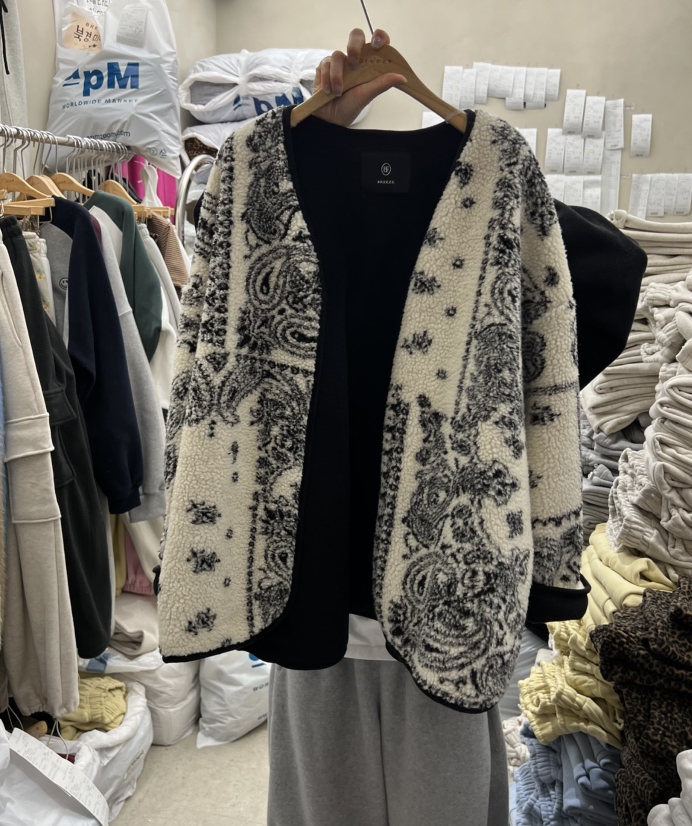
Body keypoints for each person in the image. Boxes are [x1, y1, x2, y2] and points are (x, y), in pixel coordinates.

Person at [261, 28, 646, 826]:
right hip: (316, 596)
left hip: (453, 603)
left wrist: (484, 171)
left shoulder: (492, 197)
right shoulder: (282, 193)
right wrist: (319, 140)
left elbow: (608, 274)